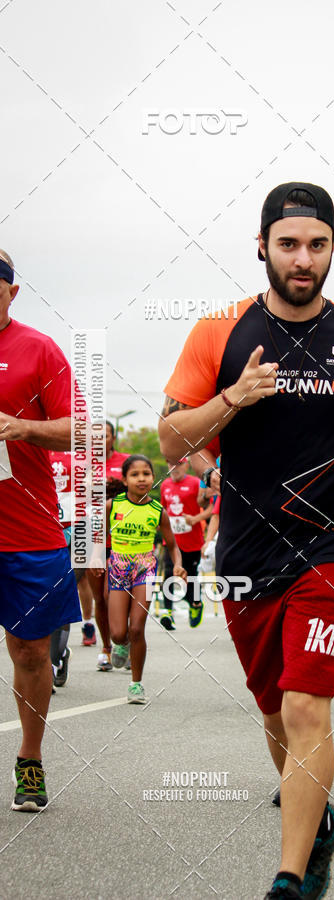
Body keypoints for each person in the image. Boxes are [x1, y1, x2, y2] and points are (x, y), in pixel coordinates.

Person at [159, 182, 334, 900]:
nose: (303, 259)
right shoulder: (220, 333)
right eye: (289, 244)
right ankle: (321, 822)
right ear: (263, 248)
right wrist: (231, 399)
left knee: (307, 706)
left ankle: (290, 878)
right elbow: (172, 438)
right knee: (274, 710)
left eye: (317, 245)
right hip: (245, 554)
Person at [0, 248, 82, 811]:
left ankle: (30, 758)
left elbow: (79, 429)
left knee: (30, 652)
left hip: (27, 532)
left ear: (11, 291)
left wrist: (21, 428)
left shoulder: (38, 349)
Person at [90, 455, 185, 703]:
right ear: (125, 479)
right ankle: (119, 645)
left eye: (146, 473)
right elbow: (95, 534)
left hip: (146, 569)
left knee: (136, 628)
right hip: (119, 568)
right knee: (119, 633)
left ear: (153, 477)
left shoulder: (158, 511)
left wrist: (177, 565)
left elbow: (173, 546)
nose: (142, 479)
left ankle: (136, 684)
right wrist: (97, 556)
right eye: (135, 474)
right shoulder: (112, 506)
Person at [49, 449, 95, 685]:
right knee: (45, 597)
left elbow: (92, 485)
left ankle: (54, 659)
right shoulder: (33, 442)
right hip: (44, 527)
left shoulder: (81, 448)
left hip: (78, 529)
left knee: (62, 591)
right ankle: (55, 654)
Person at [86, 421, 130, 670]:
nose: (100, 440)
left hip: (119, 539)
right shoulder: (84, 465)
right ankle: (106, 647)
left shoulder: (125, 463)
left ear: (113, 438)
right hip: (92, 538)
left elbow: (137, 491)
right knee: (99, 600)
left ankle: (123, 639)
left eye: (105, 436)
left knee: (110, 594)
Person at [159, 457, 212, 630]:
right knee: (168, 573)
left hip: (193, 541)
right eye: (171, 464)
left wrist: (196, 518)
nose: (174, 467)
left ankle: (195, 604)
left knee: (189, 578)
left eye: (179, 464)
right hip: (172, 542)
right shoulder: (165, 485)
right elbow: (162, 511)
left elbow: (213, 507)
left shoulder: (196, 483)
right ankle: (167, 612)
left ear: (186, 465)